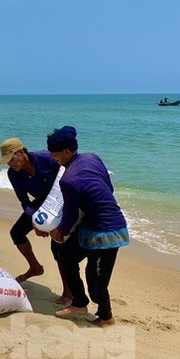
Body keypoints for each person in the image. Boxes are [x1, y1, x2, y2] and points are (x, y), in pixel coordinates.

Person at [46, 126, 129, 328]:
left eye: (54, 154)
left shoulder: (69, 180)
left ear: (66, 152)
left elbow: (71, 214)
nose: (52, 158)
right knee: (66, 256)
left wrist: (59, 232)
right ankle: (80, 304)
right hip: (89, 226)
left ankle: (106, 316)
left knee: (96, 282)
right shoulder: (92, 157)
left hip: (108, 231)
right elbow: (109, 187)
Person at [0, 137, 73, 303]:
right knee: (16, 232)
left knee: (58, 245)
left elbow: (70, 170)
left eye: (11, 159)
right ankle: (35, 267)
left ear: (21, 152)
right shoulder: (13, 174)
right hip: (40, 203)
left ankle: (68, 292)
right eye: (7, 162)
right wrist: (36, 222)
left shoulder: (46, 159)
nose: (10, 164)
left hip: (60, 200)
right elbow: (24, 201)